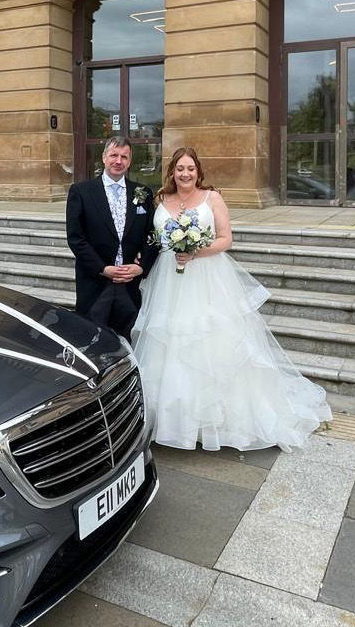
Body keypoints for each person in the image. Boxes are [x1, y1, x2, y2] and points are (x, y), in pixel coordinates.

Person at [131, 147, 331, 452]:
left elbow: (226, 238)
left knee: (211, 344)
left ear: (198, 172)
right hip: (168, 280)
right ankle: (173, 422)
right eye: (180, 169)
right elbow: (152, 238)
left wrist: (197, 251)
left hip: (207, 278)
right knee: (166, 345)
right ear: (172, 171)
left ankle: (213, 422)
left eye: (191, 169)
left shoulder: (212, 198)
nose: (185, 174)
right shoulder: (161, 199)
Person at [65, 136, 160, 337]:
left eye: (124, 157)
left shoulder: (142, 192)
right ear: (104, 157)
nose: (119, 161)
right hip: (95, 283)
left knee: (129, 337)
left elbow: (153, 235)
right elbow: (76, 237)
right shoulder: (81, 191)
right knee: (91, 338)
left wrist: (141, 267)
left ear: (130, 161)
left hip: (130, 284)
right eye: (114, 155)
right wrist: (103, 269)